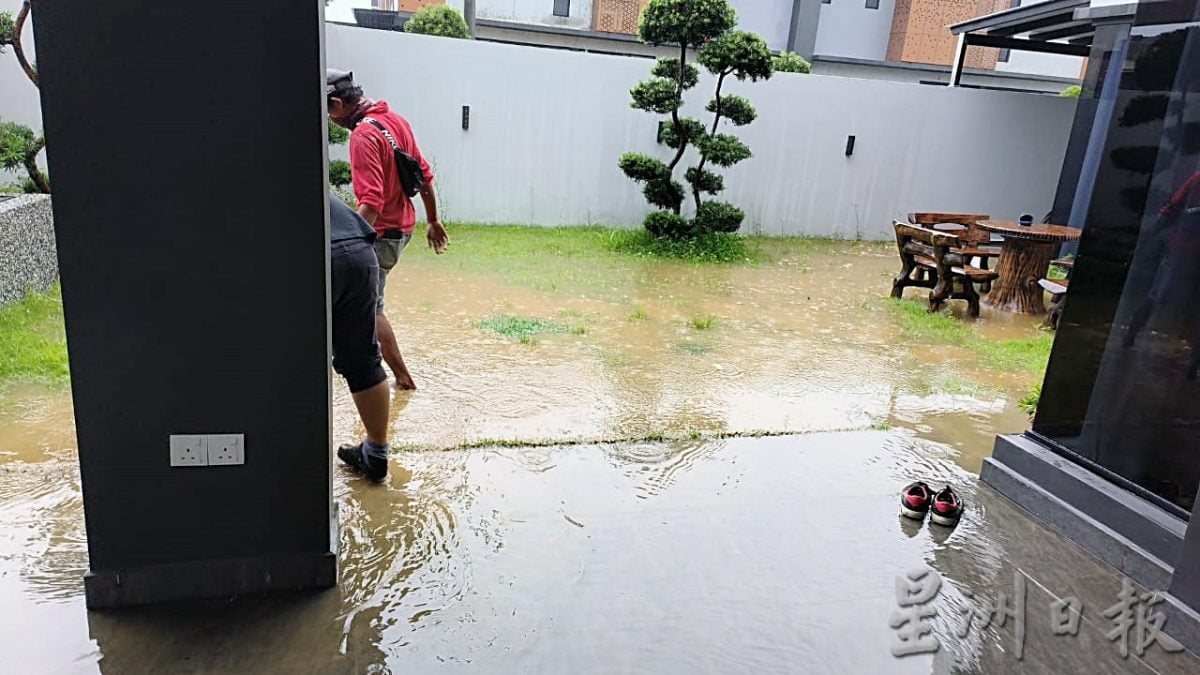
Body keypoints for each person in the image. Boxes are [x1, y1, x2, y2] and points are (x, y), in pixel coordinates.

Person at [327, 69, 449, 390]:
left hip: (380, 235)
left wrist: (346, 244)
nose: (327, 118)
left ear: (337, 105)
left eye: (327, 110)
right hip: (402, 229)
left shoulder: (363, 136)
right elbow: (423, 176)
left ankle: (402, 378)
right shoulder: (396, 121)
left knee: (370, 310)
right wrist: (433, 220)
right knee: (364, 304)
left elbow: (371, 203)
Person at [329, 191, 391, 481]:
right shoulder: (296, 167)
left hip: (321, 253)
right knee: (363, 360)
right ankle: (375, 454)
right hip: (359, 250)